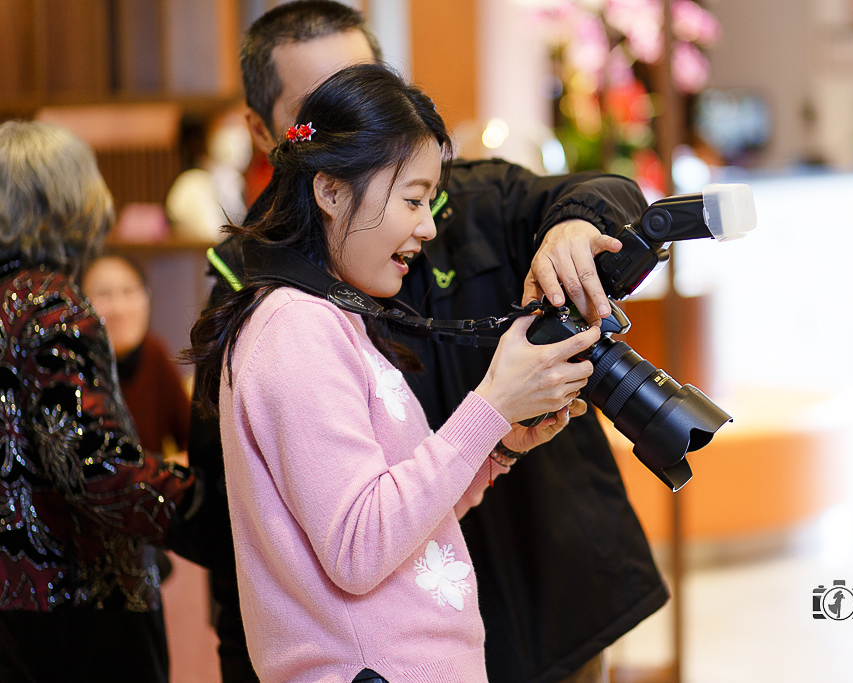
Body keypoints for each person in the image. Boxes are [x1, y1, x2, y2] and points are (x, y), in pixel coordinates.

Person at [174, 3, 668, 683]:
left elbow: (389, 498)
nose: (427, 225)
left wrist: (493, 448)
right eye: (337, 111)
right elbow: (350, 541)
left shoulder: (339, 299)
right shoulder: (293, 322)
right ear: (310, 167)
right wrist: (493, 405)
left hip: (537, 599)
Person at [0, 121, 197, 683]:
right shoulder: (51, 306)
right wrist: (209, 512)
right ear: (69, 202)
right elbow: (93, 462)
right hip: (76, 599)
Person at [81, 253, 190, 462]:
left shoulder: (153, 353)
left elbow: (194, 440)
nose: (118, 308)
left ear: (146, 297)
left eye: (129, 291)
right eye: (103, 294)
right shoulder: (71, 365)